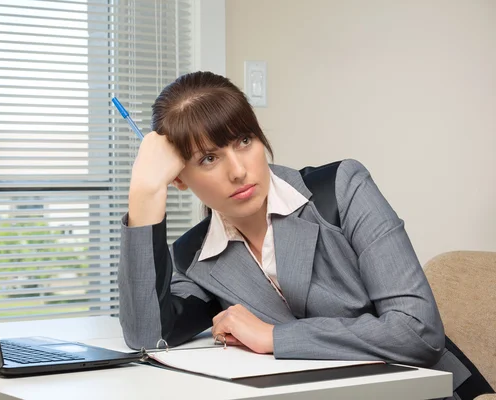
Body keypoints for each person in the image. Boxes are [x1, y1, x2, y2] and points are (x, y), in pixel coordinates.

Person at [118, 71, 471, 396]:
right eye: (208, 159)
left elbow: (417, 332)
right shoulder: (195, 255)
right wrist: (145, 192)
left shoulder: (342, 189)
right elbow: (148, 336)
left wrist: (273, 336)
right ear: (178, 177)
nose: (239, 171)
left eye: (244, 140)